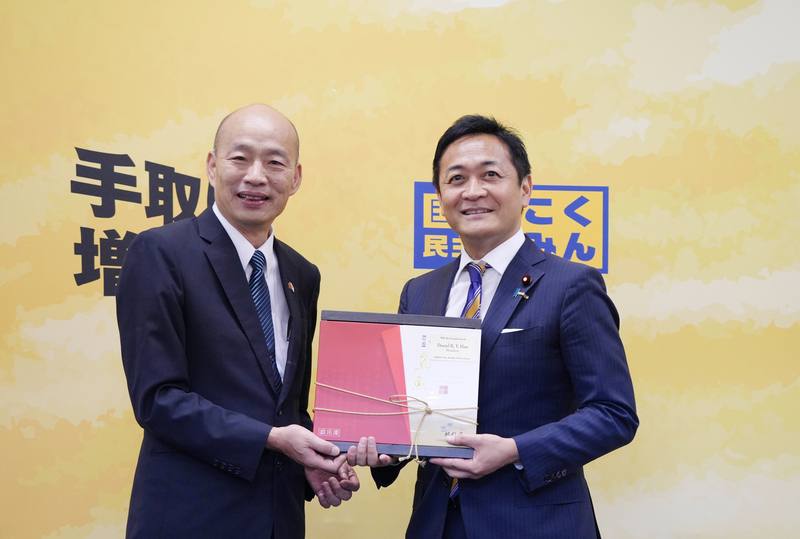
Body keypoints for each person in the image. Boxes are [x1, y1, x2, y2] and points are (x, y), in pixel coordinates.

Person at [351, 115, 638, 538]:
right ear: (440, 195)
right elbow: (412, 413)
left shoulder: (570, 285)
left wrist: (515, 451)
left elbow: (614, 414)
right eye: (456, 179)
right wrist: (386, 450)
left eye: (490, 175)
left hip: (536, 521)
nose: (473, 192)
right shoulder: (421, 292)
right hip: (437, 523)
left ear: (525, 189)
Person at [117, 104, 359, 539]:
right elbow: (158, 399)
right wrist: (271, 438)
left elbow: (287, 408)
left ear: (296, 178)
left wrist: (316, 460)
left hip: (277, 519)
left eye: (274, 162)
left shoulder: (301, 275)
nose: (255, 176)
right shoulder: (162, 254)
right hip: (189, 518)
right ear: (212, 166)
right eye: (240, 158)